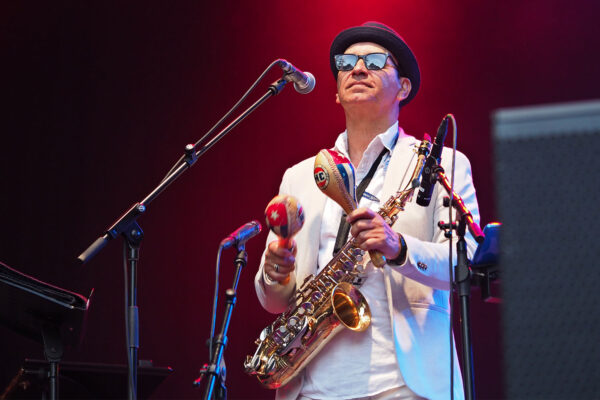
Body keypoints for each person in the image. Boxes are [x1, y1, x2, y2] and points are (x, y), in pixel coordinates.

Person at [254, 21, 479, 400]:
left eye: (375, 61)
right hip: (311, 389)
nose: (357, 68)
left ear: (403, 88)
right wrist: (275, 271)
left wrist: (398, 247)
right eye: (346, 62)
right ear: (337, 94)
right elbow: (276, 301)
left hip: (406, 387)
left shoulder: (443, 164)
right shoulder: (299, 176)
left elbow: (467, 262)